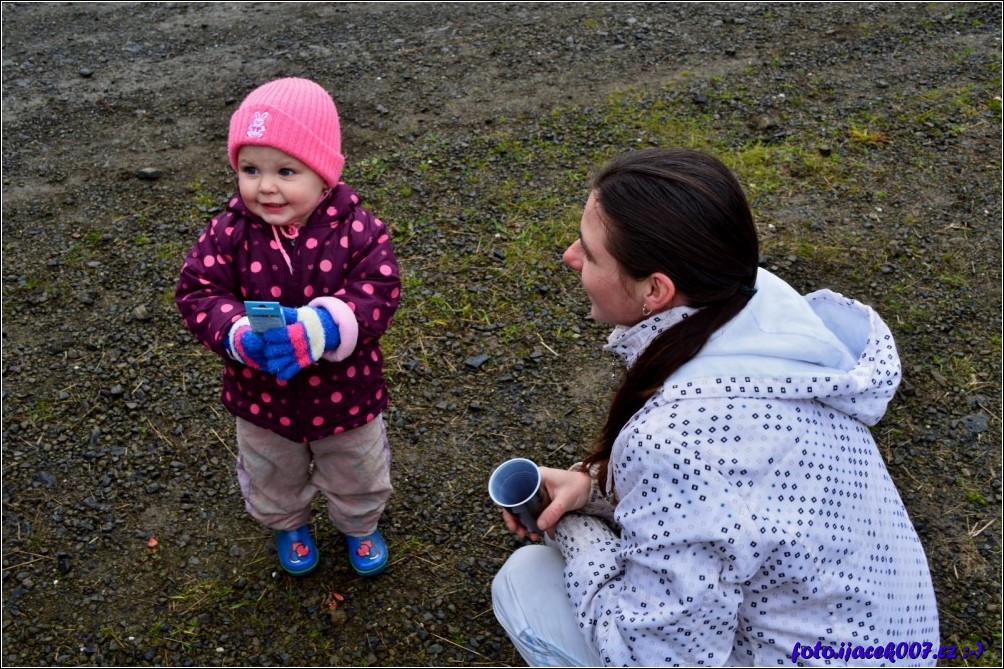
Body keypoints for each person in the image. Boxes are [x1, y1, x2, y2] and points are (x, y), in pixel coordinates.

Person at [491, 148, 939, 666]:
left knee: (524, 582)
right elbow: (733, 505)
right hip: (892, 637)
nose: (570, 257)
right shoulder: (761, 309)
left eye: (590, 254)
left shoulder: (677, 443)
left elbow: (655, 658)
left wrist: (573, 529)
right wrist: (592, 488)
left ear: (656, 290)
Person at [176, 77, 401, 577]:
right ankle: (288, 521)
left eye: (286, 170)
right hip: (260, 396)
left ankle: (360, 524)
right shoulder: (228, 232)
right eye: (250, 169)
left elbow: (378, 291)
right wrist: (236, 333)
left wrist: (323, 327)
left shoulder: (359, 229)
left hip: (348, 394)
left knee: (358, 467)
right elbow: (197, 292)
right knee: (271, 468)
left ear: (324, 175)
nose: (266, 186)